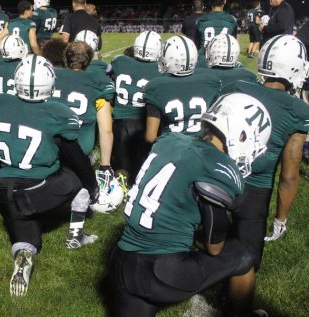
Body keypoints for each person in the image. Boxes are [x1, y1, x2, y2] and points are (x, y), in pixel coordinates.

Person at [109, 93, 271, 317]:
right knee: (243, 255)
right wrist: (195, 240)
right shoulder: (214, 166)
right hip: (162, 272)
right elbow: (215, 247)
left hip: (121, 263)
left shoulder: (171, 140)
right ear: (241, 135)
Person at [0, 55, 99, 296]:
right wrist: (93, 185)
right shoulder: (57, 112)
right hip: (40, 189)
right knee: (81, 174)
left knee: (28, 241)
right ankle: (76, 235)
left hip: (7, 190)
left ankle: (23, 255)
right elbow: (75, 157)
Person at [221, 35, 309, 272]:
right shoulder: (297, 110)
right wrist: (280, 218)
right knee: (247, 262)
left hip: (220, 176)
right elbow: (289, 175)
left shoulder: (236, 86)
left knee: (212, 239)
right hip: (255, 190)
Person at [53, 42, 115, 182]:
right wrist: (105, 166)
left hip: (50, 148)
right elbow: (106, 130)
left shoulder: (52, 76)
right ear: (89, 60)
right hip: (80, 151)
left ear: (66, 57)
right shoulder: (98, 82)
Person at [108, 31, 163, 189]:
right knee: (141, 166)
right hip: (144, 122)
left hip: (119, 122)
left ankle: (120, 186)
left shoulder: (120, 61)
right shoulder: (159, 70)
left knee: (122, 165)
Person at [144, 35, 222, 144]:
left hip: (172, 148)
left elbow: (150, 137)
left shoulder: (155, 86)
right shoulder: (210, 81)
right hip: (202, 147)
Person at [195, 0, 237, 67]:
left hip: (204, 60)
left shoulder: (201, 20)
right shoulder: (231, 20)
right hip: (224, 60)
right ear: (225, 1)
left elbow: (197, 44)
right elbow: (233, 43)